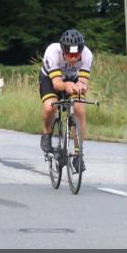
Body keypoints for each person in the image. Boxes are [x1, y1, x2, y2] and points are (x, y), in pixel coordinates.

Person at [38, 29, 92, 169]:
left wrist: (82, 86)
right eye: (69, 55)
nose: (73, 59)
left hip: (72, 79)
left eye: (76, 55)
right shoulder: (52, 52)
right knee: (50, 106)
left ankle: (78, 154)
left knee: (79, 108)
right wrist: (67, 85)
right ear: (63, 51)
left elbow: (83, 81)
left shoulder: (87, 55)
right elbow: (57, 84)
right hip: (50, 79)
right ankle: (46, 132)